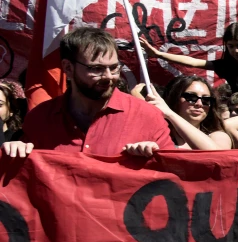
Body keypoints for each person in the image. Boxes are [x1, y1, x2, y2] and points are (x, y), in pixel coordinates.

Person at [2, 27, 173, 158]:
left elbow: (173, 179)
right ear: (68, 68)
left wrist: (154, 156)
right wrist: (16, 153)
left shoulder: (147, 116)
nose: (109, 77)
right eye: (96, 69)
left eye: (114, 68)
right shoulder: (40, 117)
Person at [141, 22, 238, 95]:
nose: (235, 51)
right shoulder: (228, 65)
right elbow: (194, 62)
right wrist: (158, 54)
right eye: (231, 46)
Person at [143, 76, 233, 150]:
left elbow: (215, 154)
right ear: (174, 98)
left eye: (206, 99)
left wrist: (170, 114)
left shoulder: (218, 136)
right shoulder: (157, 136)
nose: (199, 104)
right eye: (191, 97)